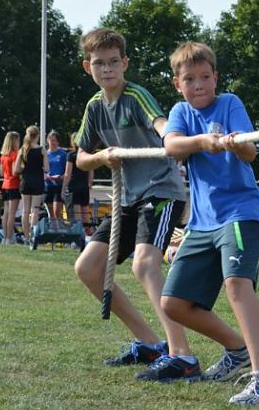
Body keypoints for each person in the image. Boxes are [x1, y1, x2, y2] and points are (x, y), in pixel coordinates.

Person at [158, 40, 259, 406]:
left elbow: (250, 150)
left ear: (216, 78)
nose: (198, 85)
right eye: (190, 79)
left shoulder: (230, 104)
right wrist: (203, 142)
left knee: (237, 286)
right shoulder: (181, 111)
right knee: (173, 303)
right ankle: (236, 348)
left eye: (205, 77)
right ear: (178, 84)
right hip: (201, 221)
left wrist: (232, 144)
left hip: (240, 213)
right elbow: (171, 146)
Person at [73, 27, 194, 379]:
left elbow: (160, 122)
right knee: (87, 268)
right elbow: (80, 157)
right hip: (126, 199)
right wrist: (101, 157)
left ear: (125, 63)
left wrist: (172, 137)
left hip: (160, 192)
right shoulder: (94, 108)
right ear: (88, 67)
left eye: (114, 62)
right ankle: (150, 342)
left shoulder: (135, 95)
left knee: (144, 265)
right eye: (99, 63)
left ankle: (182, 354)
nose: (107, 69)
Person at [16, 125, 49, 245]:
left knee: (25, 210)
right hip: (37, 181)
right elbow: (46, 168)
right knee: (35, 210)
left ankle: (26, 236)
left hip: (25, 181)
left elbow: (16, 169)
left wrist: (25, 167)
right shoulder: (41, 150)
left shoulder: (23, 149)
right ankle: (33, 236)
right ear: (38, 135)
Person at [62, 131, 94, 232]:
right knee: (85, 213)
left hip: (74, 187)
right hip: (84, 186)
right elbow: (91, 170)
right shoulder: (86, 154)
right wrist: (89, 182)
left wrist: (63, 188)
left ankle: (80, 236)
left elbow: (67, 173)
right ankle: (91, 235)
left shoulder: (71, 155)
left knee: (77, 215)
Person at [0, 131, 21, 245]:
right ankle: (9, 237)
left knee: (6, 212)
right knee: (12, 213)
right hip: (13, 184)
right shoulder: (15, 155)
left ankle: (5, 237)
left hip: (5, 185)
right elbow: (15, 172)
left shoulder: (3, 156)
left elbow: (1, 172)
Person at [44, 130, 67, 219]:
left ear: (58, 142)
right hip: (48, 185)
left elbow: (68, 170)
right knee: (51, 214)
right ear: (48, 141)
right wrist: (47, 177)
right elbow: (42, 169)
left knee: (57, 211)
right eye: (51, 140)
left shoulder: (63, 154)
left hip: (59, 185)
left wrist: (61, 177)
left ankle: (60, 230)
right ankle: (53, 230)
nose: (53, 142)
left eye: (55, 140)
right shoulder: (45, 154)